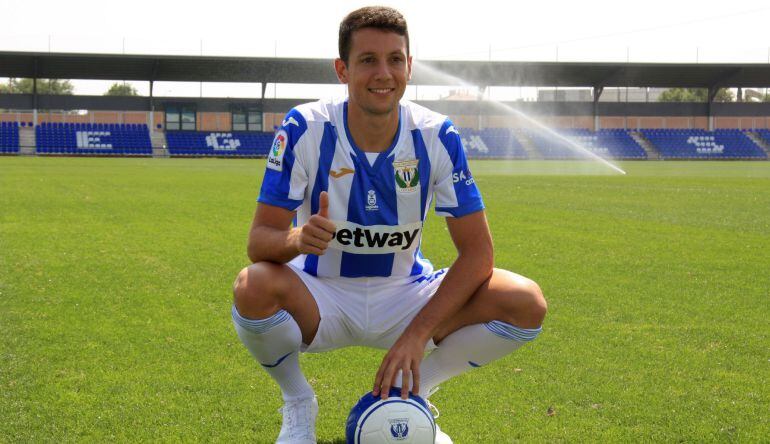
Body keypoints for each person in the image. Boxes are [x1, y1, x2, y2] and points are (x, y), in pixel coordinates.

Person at [231, 6, 547, 443]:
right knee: (253, 286)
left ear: (409, 66)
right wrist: (298, 238)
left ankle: (412, 395)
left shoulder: (437, 135)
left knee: (525, 301)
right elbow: (259, 240)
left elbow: (479, 255)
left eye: (395, 59)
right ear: (342, 70)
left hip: (406, 296)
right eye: (368, 60)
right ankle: (299, 402)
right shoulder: (304, 127)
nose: (384, 73)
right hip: (322, 298)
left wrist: (417, 336)